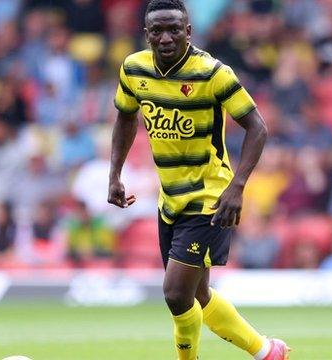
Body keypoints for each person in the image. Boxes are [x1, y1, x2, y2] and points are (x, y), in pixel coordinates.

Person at [107, 1, 290, 359]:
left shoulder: (212, 73)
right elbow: (125, 117)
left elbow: (257, 127)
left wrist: (237, 187)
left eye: (174, 29)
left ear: (188, 32)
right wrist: (115, 173)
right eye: (157, 30)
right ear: (146, 34)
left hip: (210, 197)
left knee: (176, 293)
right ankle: (268, 352)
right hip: (170, 199)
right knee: (198, 295)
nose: (165, 38)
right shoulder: (133, 69)